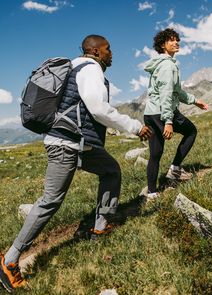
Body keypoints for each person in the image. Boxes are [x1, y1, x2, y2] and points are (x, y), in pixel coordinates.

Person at [0, 34, 152, 293]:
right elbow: (97, 107)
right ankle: (10, 260)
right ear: (94, 51)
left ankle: (100, 227)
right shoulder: (90, 68)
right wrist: (135, 127)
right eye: (108, 49)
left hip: (79, 144)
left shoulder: (77, 67)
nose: (111, 53)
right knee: (51, 200)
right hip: (65, 145)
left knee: (111, 170)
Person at [143, 28, 208, 200]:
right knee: (191, 131)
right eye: (171, 40)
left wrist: (195, 100)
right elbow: (166, 93)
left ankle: (151, 192)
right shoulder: (168, 66)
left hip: (150, 113)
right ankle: (175, 169)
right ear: (163, 45)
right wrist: (169, 121)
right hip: (163, 112)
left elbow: (176, 91)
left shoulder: (158, 64)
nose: (176, 42)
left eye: (177, 39)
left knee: (155, 153)